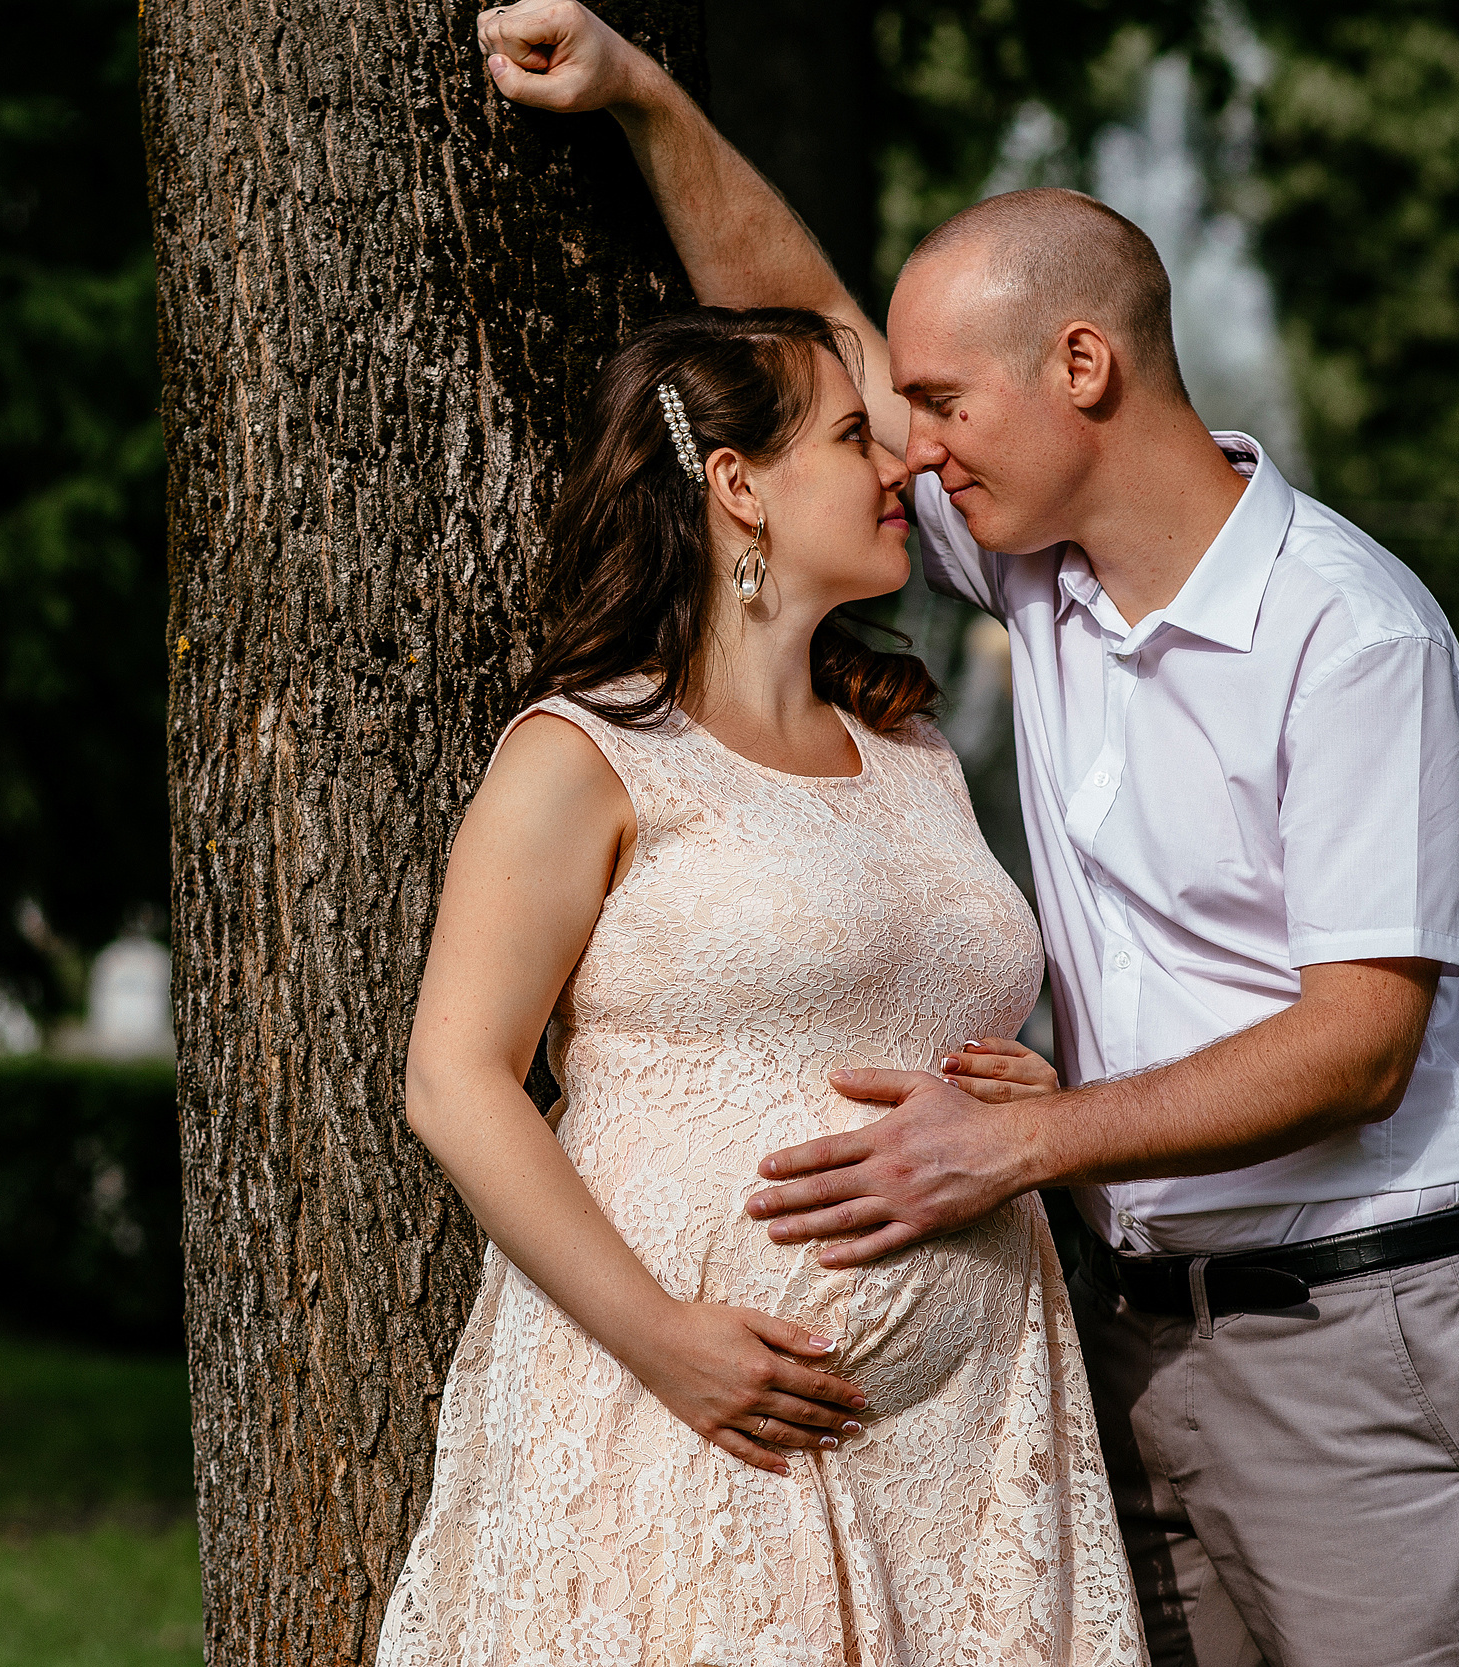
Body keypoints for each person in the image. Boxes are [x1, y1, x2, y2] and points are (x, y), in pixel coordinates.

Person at [478, 8, 1459, 1665]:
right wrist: (644, 101)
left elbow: (1358, 1042)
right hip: (1113, 1345)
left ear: (1083, 369)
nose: (913, 442)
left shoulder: (1350, 638)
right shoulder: (1031, 574)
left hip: (1346, 1331)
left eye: (941, 401)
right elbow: (806, 337)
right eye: (894, 419)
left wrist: (1028, 1141)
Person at [377, 308, 1144, 1665]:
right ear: (739, 486)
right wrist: (669, 1340)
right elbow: (453, 1076)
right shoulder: (586, 753)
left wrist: (1028, 1097)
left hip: (967, 1440)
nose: (900, 464)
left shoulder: (911, 745)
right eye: (856, 435)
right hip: (689, 1421)